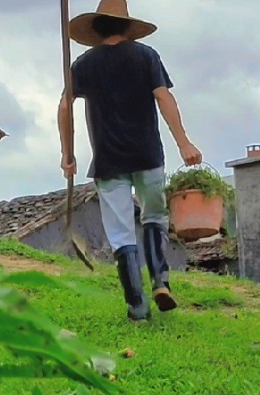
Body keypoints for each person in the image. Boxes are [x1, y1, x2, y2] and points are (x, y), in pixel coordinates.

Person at [59, 0, 203, 320]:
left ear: (96, 29)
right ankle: (160, 281)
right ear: (128, 27)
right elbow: (164, 97)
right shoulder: (146, 56)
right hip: (148, 154)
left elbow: (65, 107)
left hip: (109, 160)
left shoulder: (83, 64)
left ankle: (136, 304)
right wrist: (184, 142)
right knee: (154, 215)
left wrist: (67, 154)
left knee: (121, 232)